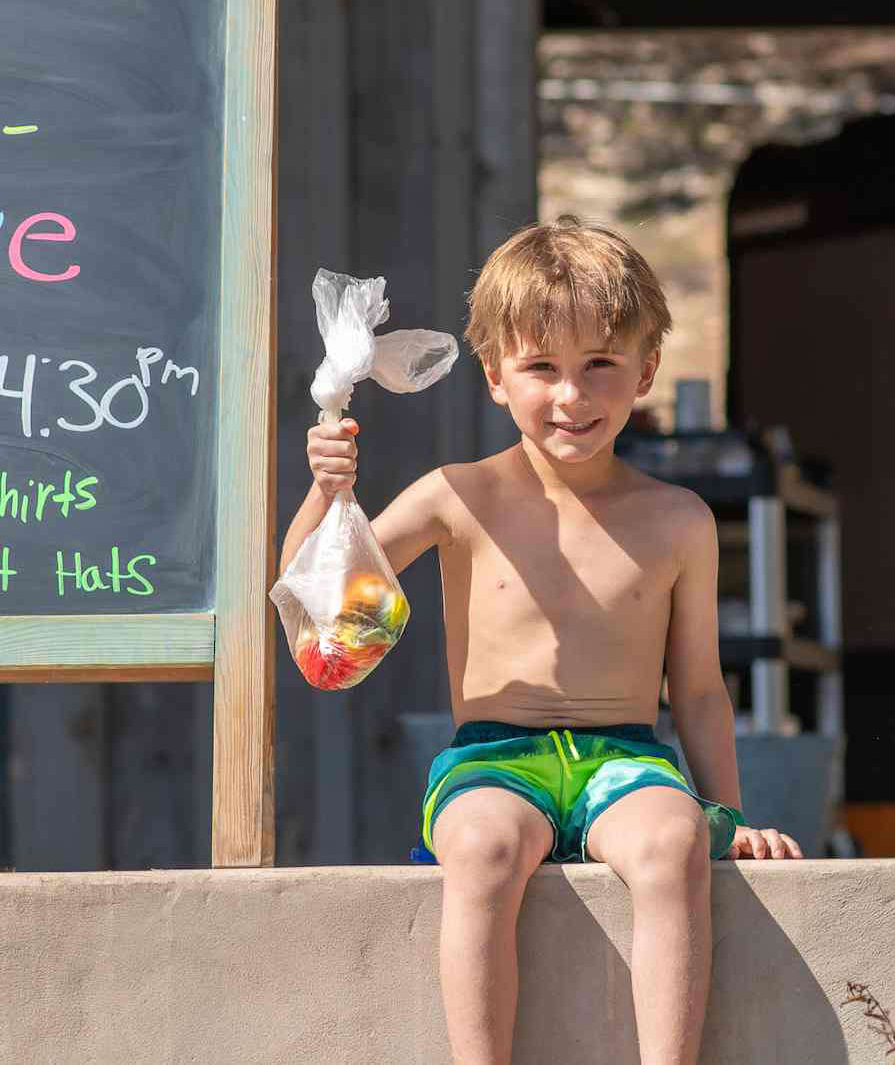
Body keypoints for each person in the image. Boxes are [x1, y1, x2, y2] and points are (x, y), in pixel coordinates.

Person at [279, 215, 805, 1065]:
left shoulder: (679, 521)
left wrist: (730, 816)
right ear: (494, 377)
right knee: (484, 847)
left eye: (601, 364)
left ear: (647, 369)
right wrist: (324, 491)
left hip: (628, 759)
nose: (574, 395)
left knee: (674, 845)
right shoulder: (457, 495)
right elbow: (322, 604)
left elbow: (700, 689)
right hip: (493, 756)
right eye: (542, 368)